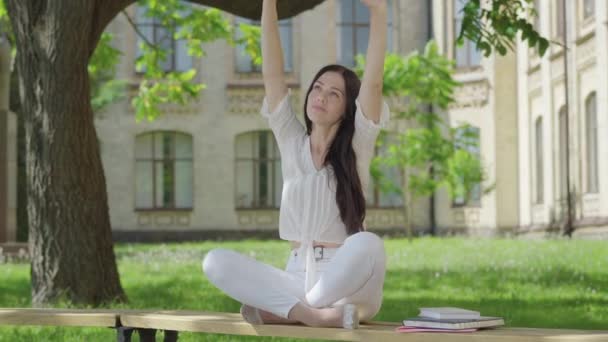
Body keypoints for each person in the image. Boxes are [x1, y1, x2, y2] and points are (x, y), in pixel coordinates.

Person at [203, 0, 389, 329]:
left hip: (349, 284)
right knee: (214, 261)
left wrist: (378, 12)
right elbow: (272, 72)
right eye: (317, 88)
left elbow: (373, 84)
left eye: (334, 94)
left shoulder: (357, 144)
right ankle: (309, 315)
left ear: (347, 110)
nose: (321, 96)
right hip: (297, 275)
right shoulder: (290, 139)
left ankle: (291, 310)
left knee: (367, 243)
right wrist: (269, 5)